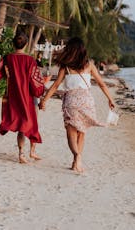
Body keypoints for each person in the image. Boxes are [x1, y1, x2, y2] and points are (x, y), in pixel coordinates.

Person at [38, 37, 115, 173]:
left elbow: (55, 86)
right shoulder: (89, 65)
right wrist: (110, 99)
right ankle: (77, 162)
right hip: (87, 101)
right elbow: (101, 83)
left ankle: (76, 156)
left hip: (71, 101)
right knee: (82, 133)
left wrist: (44, 100)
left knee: (71, 133)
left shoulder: (66, 67)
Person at [0, 33, 46, 163]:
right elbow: (35, 80)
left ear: (13, 44)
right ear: (26, 44)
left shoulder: (7, 58)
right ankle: (31, 151)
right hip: (28, 96)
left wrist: (6, 74)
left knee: (21, 124)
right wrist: (40, 92)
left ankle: (22, 153)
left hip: (13, 97)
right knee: (31, 122)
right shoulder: (30, 60)